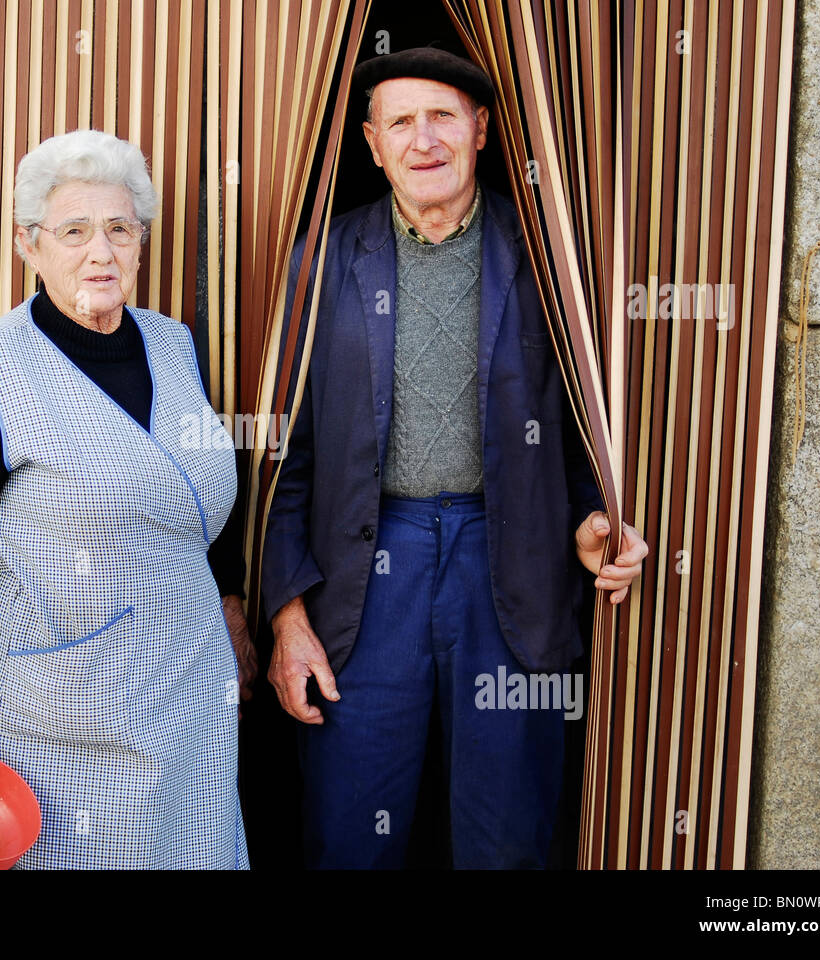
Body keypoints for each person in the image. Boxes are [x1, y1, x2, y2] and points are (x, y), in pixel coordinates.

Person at [260, 46, 648, 869]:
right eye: (401, 121)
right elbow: (285, 457)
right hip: (362, 575)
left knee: (504, 835)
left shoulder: (548, 257)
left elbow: (580, 421)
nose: (423, 138)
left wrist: (589, 519)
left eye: (442, 115)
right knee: (348, 832)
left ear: (482, 128)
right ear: (370, 143)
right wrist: (288, 617)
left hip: (506, 560)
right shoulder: (323, 262)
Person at [0, 129, 256, 869]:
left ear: (142, 242)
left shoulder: (175, 345)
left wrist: (234, 609)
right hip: (53, 718)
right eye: (75, 232)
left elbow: (193, 504)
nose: (101, 253)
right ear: (29, 245)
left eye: (120, 229)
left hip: (186, 700)